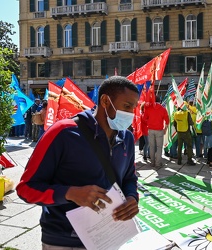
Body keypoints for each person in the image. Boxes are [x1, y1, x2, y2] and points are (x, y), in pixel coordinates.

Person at [16, 76, 140, 249]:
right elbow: (26, 189)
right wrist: (69, 193)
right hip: (63, 240)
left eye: (134, 107)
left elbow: (129, 178)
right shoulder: (63, 133)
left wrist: (132, 198)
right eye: (127, 106)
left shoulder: (127, 138)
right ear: (105, 100)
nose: (131, 114)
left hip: (110, 237)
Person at [143, 95, 169, 168]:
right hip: (159, 130)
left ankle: (152, 162)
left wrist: (149, 122)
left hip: (150, 130)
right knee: (159, 147)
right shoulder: (163, 109)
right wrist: (165, 129)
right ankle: (158, 163)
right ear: (159, 100)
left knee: (151, 146)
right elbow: (167, 120)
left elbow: (144, 118)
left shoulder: (148, 108)